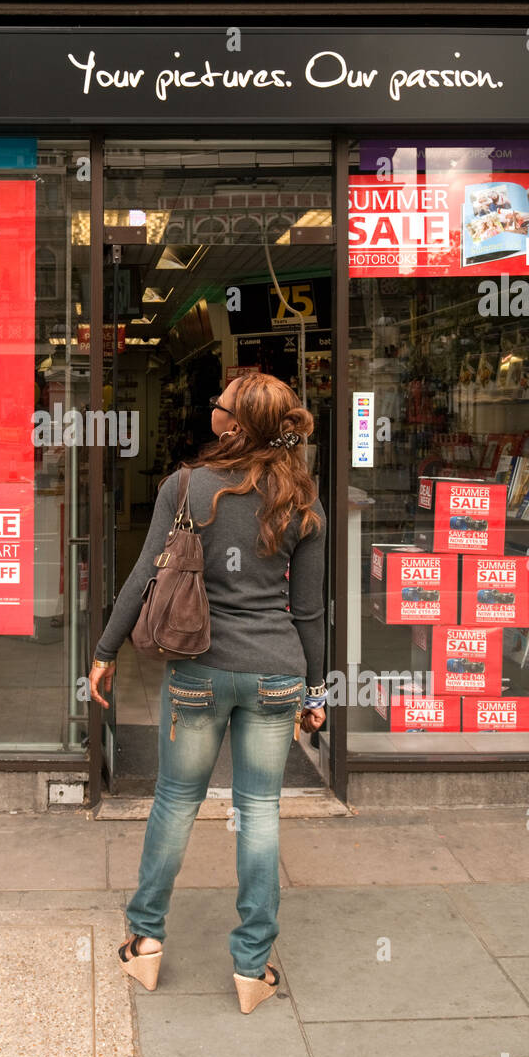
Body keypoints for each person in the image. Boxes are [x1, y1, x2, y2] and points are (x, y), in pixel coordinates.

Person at [89, 372, 327, 1013]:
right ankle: (252, 968)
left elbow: (145, 573)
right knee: (260, 812)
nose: (213, 407)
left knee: (174, 801)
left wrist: (106, 650)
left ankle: (144, 944)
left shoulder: (184, 487)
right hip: (277, 672)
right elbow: (309, 614)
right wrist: (317, 689)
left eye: (221, 402)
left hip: (197, 671)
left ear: (234, 424)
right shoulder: (302, 503)